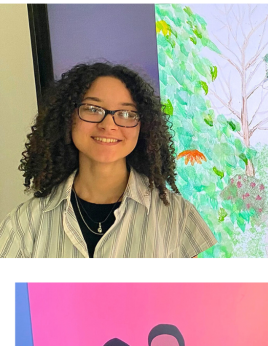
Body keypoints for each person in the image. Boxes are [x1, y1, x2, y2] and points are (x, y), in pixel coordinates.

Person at [0, 61, 216, 258]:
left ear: (144, 126)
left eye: (127, 113)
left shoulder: (177, 216)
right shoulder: (25, 222)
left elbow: (191, 301)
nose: (109, 125)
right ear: (68, 117)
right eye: (93, 109)